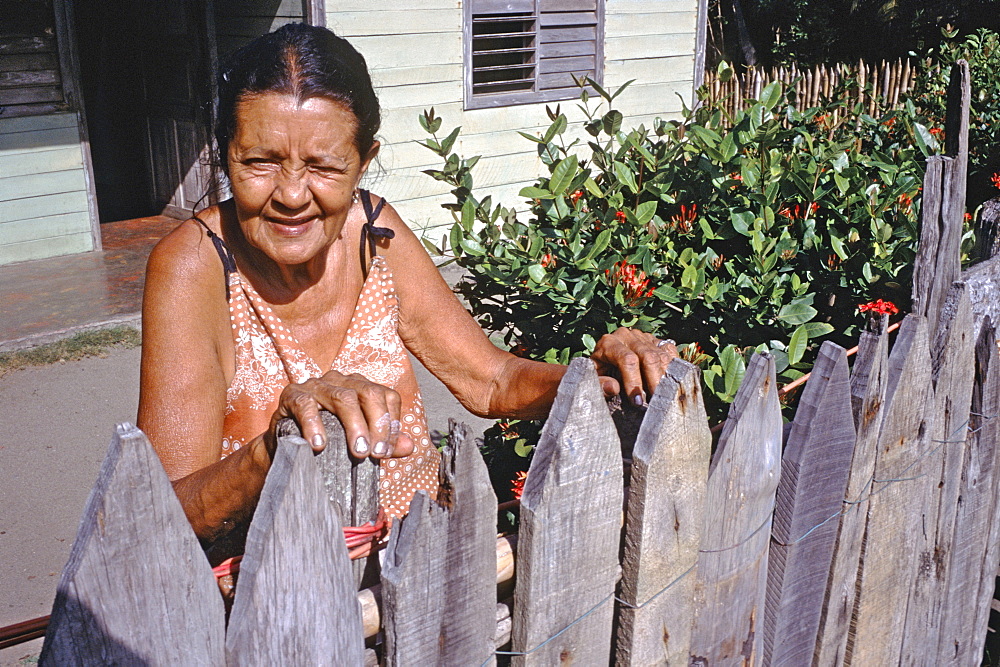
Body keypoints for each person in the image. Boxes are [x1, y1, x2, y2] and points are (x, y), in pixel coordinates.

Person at [137, 23, 676, 562]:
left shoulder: (374, 233)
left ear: (363, 163)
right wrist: (274, 449)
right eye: (259, 162)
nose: (292, 195)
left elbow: (490, 381)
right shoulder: (196, 266)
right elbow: (163, 515)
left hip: (422, 570)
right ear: (227, 155)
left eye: (324, 166)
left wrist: (598, 378)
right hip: (276, 602)